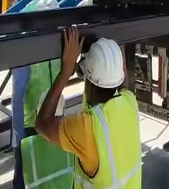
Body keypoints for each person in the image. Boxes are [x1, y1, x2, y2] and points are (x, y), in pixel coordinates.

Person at [36, 27, 142, 189]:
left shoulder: (87, 129)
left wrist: (65, 73)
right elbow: (122, 78)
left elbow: (42, 124)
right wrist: (117, 34)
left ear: (90, 85)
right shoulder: (129, 102)